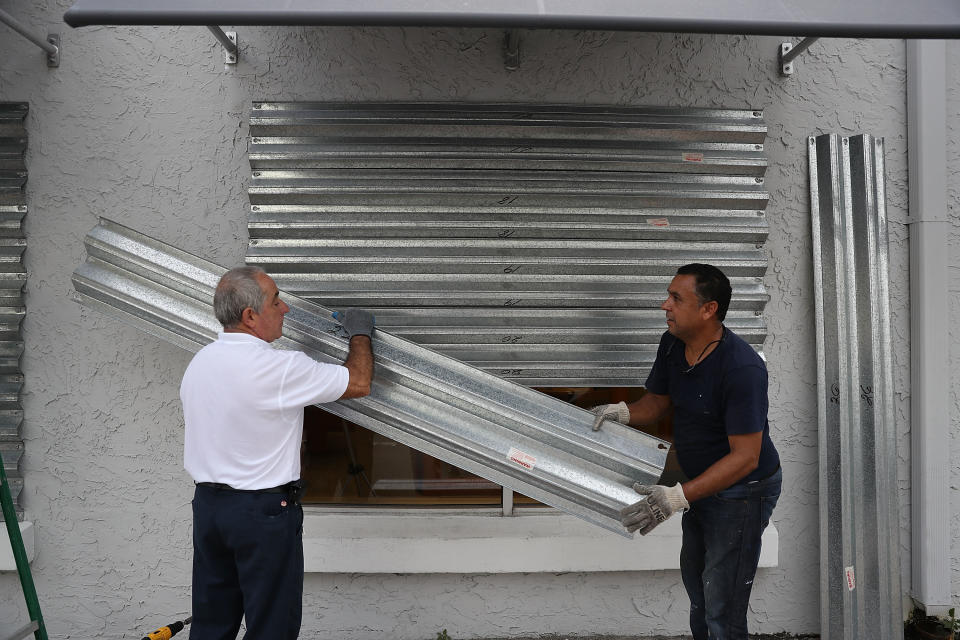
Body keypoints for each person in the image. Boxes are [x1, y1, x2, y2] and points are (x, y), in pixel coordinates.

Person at [181, 266, 374, 640]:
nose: (285, 308)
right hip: (262, 516)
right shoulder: (278, 368)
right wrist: (361, 333)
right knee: (272, 627)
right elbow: (360, 382)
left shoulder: (200, 362)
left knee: (211, 624)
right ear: (250, 316)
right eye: (276, 300)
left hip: (209, 512)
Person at [591, 263, 781, 640]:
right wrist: (624, 412)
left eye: (676, 298)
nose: (665, 305)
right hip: (698, 486)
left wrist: (677, 496)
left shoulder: (741, 368)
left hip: (742, 491)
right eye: (668, 296)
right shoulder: (673, 344)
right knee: (699, 592)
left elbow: (746, 457)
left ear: (708, 309)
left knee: (722, 605)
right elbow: (658, 402)